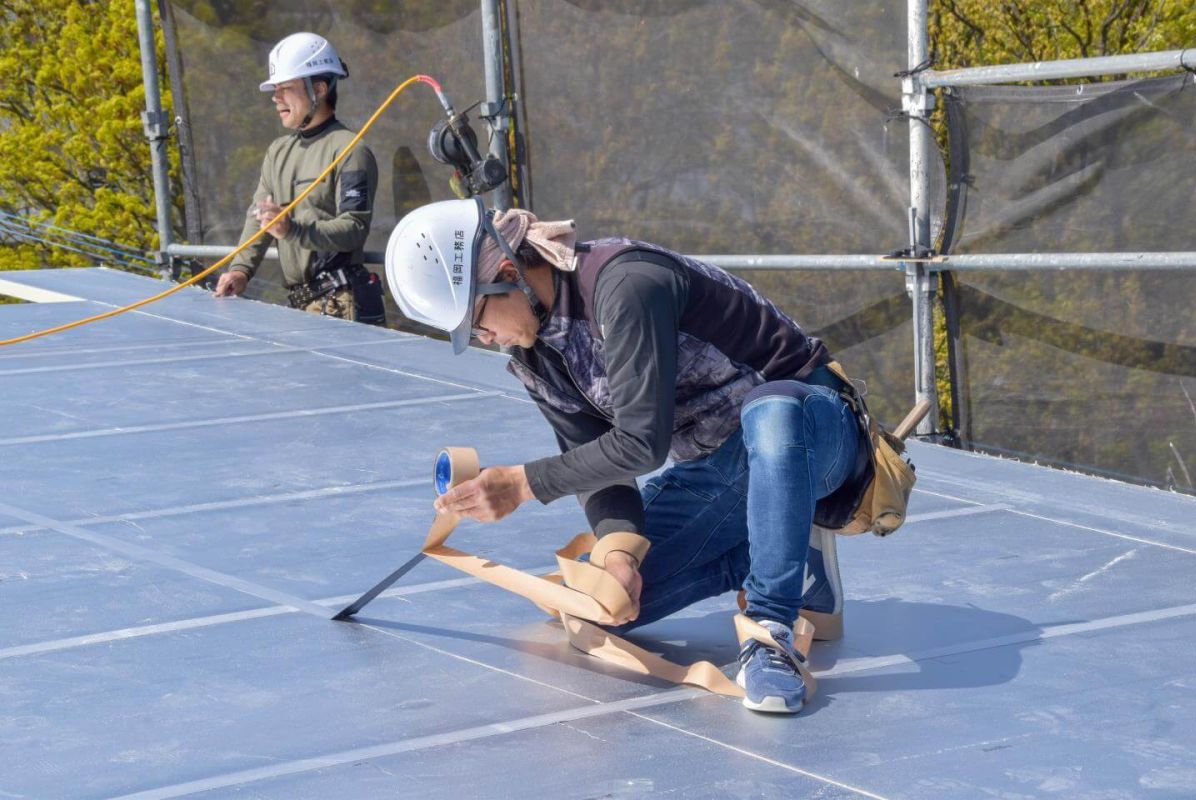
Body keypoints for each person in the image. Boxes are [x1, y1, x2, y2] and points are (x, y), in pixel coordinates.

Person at [384, 198, 872, 714]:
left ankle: (771, 629)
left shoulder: (624, 284)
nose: (486, 339)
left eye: (478, 321)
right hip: (719, 470)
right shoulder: (531, 354)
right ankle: (790, 554)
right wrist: (619, 558)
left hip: (811, 435)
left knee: (771, 410)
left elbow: (641, 442)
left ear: (509, 273)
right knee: (600, 608)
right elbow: (593, 459)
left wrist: (522, 484)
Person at [214, 32, 385, 326]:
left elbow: (354, 228)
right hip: (299, 306)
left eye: (286, 88)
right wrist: (240, 270)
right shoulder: (278, 151)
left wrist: (293, 229)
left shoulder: (350, 149)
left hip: (342, 306)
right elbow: (259, 219)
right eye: (275, 89)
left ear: (318, 89)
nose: (275, 97)